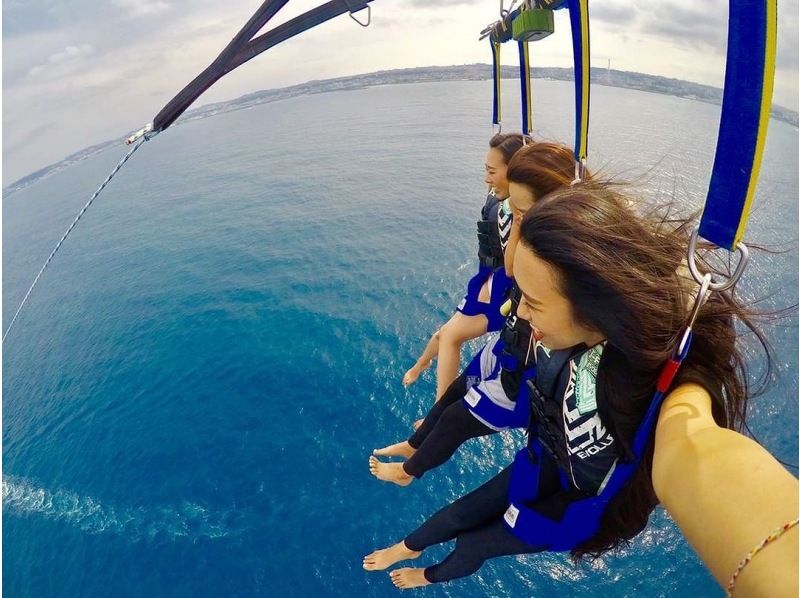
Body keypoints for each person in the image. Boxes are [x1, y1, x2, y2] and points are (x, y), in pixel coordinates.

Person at [364, 182, 798, 594]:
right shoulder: (572, 335)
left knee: (475, 544)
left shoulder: (657, 394)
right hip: (545, 462)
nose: (517, 310)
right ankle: (405, 548)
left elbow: (701, 450)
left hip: (568, 508)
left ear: (594, 305)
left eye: (532, 302)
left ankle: (427, 574)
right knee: (461, 512)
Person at [370, 142, 580, 486]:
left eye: (491, 170)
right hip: (509, 347)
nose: (486, 180)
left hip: (523, 377)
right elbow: (512, 269)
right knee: (454, 390)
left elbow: (519, 279)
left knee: (454, 415)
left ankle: (410, 472)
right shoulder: (531, 232)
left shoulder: (562, 252)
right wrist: (521, 222)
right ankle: (415, 446)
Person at [402, 133, 527, 406]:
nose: (486, 178)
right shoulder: (501, 202)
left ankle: (437, 411)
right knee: (443, 333)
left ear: (517, 171)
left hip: (501, 290)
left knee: (450, 336)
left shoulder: (519, 211)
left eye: (492, 171)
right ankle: (421, 365)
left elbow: (515, 265)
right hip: (485, 278)